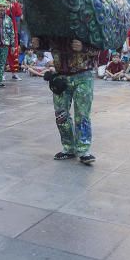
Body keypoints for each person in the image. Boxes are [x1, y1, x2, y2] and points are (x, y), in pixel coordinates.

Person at [40, 37, 98, 165]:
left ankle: (83, 150)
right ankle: (69, 147)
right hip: (61, 75)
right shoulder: (52, 24)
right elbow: (44, 44)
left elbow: (102, 46)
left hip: (83, 75)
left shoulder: (86, 23)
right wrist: (38, 43)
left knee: (82, 114)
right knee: (61, 114)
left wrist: (84, 47)